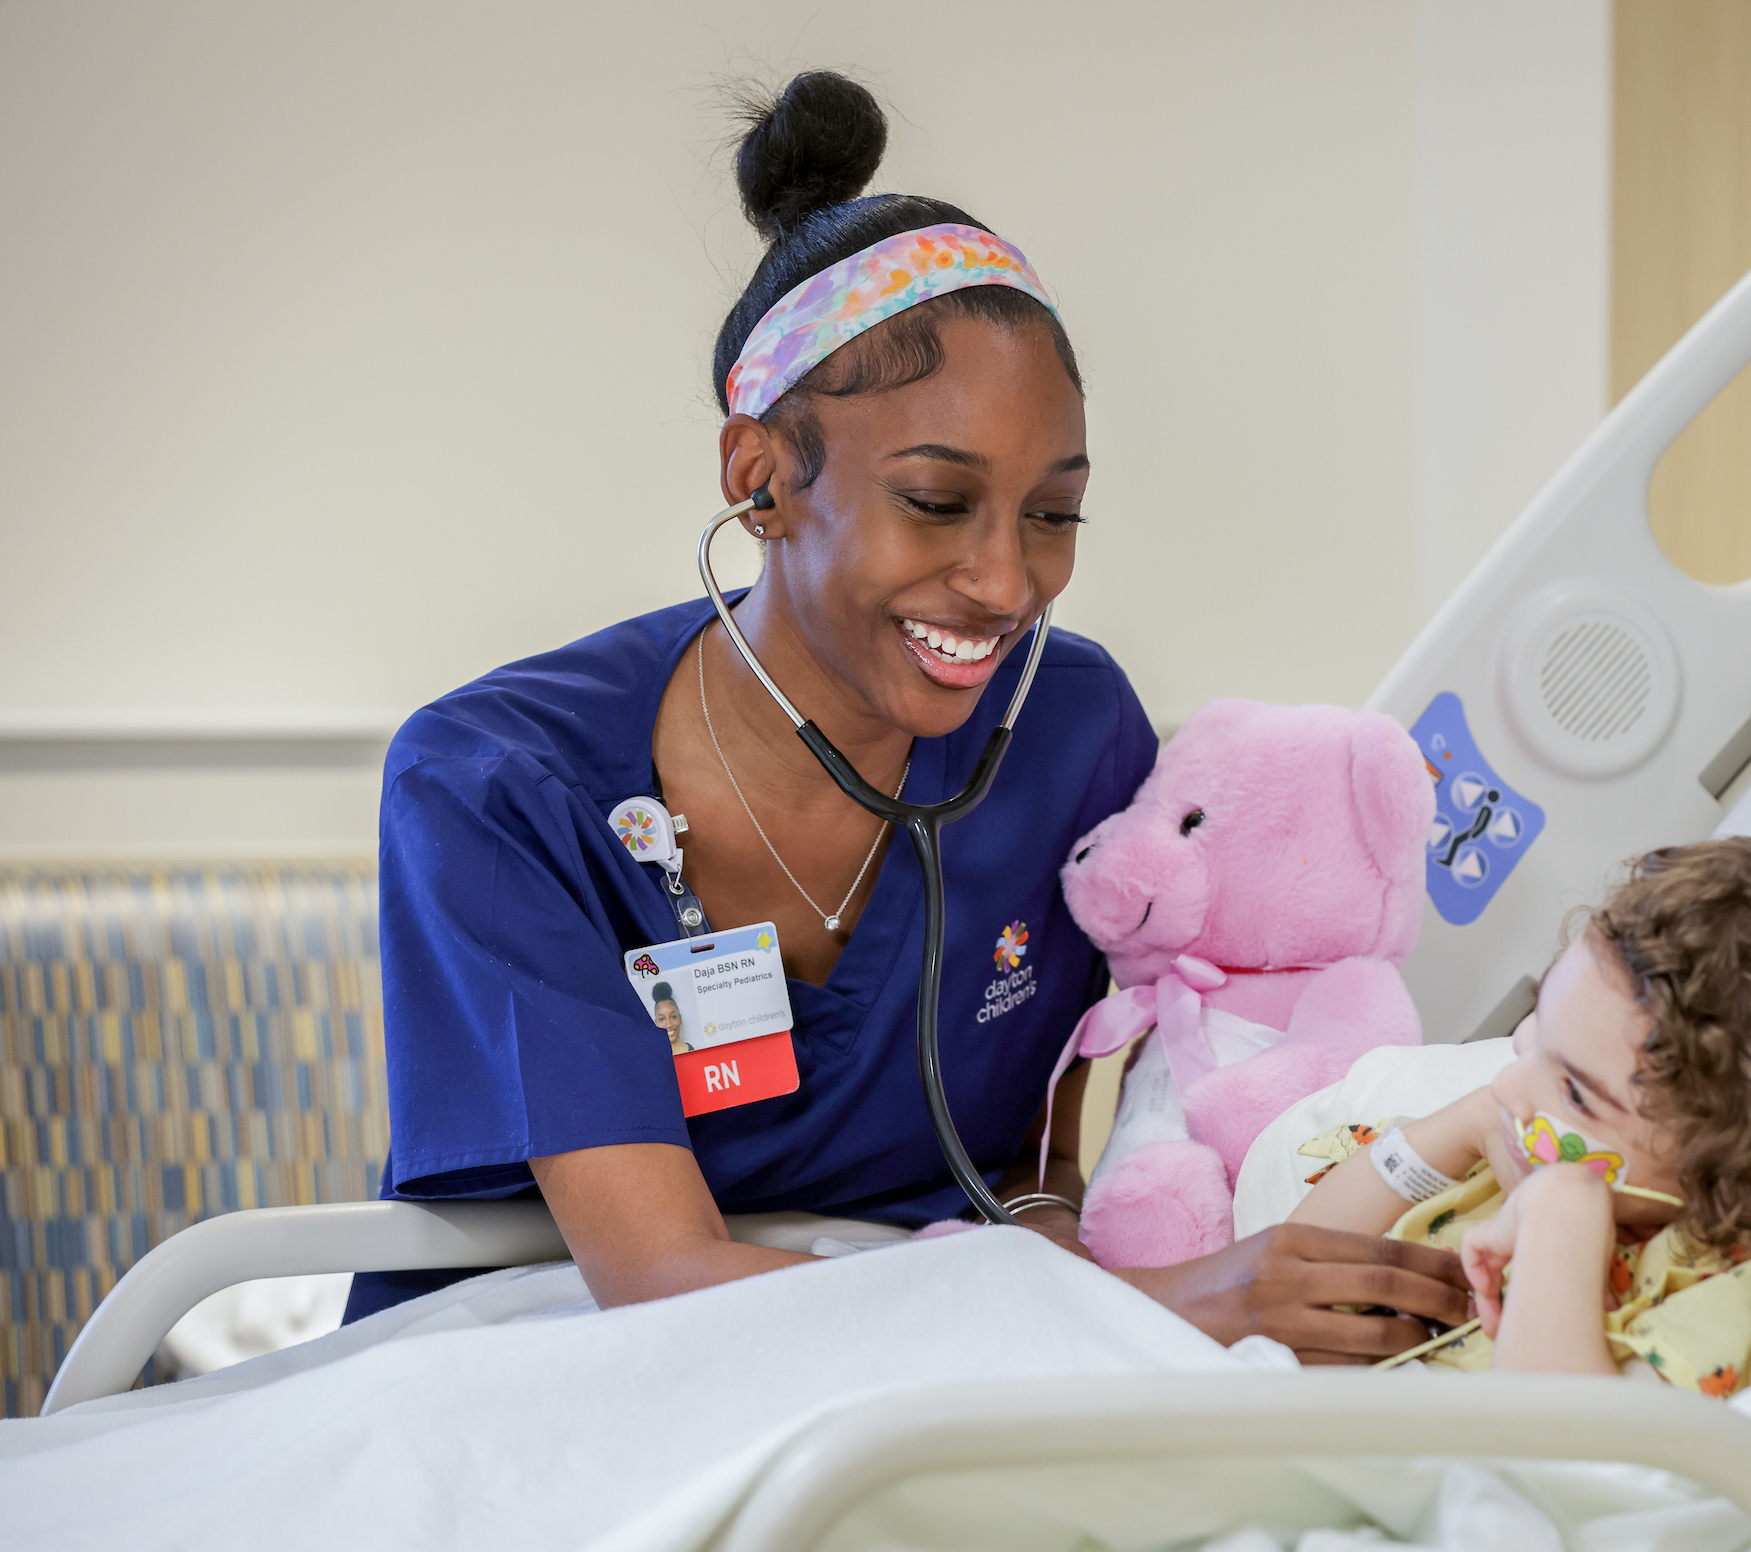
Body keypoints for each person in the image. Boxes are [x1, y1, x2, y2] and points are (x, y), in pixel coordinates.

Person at [349, 69, 1468, 1360]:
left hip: (955, 1383)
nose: (1007, 584)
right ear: (760, 477)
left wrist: (1070, 1217)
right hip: (558, 1374)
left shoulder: (1073, 730)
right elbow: (661, 1280)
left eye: (1053, 515)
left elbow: (1108, 1089)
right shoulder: (496, 785)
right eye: (939, 502)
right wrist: (1156, 1313)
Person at [1291, 828, 1751, 1388]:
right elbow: (1294, 1260)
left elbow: (1559, 1472)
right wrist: (1464, 1122)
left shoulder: (1712, 1287)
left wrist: (1561, 1222)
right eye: (1538, 1029)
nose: (1513, 1089)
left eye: (1574, 1091)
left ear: (1748, 1180)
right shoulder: (1508, 1150)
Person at [650, 986, 692, 1056]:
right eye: (662, 1019)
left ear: (680, 1019)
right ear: (656, 1023)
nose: (669, 1025)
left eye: (673, 1017)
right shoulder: (653, 1058)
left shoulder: (696, 1053)